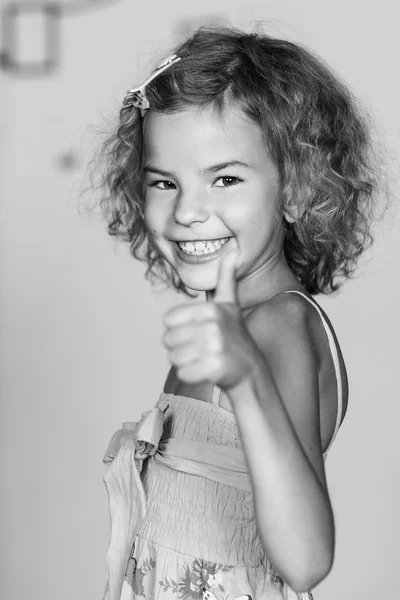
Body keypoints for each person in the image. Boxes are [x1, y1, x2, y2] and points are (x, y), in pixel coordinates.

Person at [98, 26, 379, 600]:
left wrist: (247, 378)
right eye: (164, 181)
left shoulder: (277, 327)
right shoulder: (226, 326)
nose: (189, 211)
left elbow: (305, 562)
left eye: (225, 178)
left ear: (298, 188)